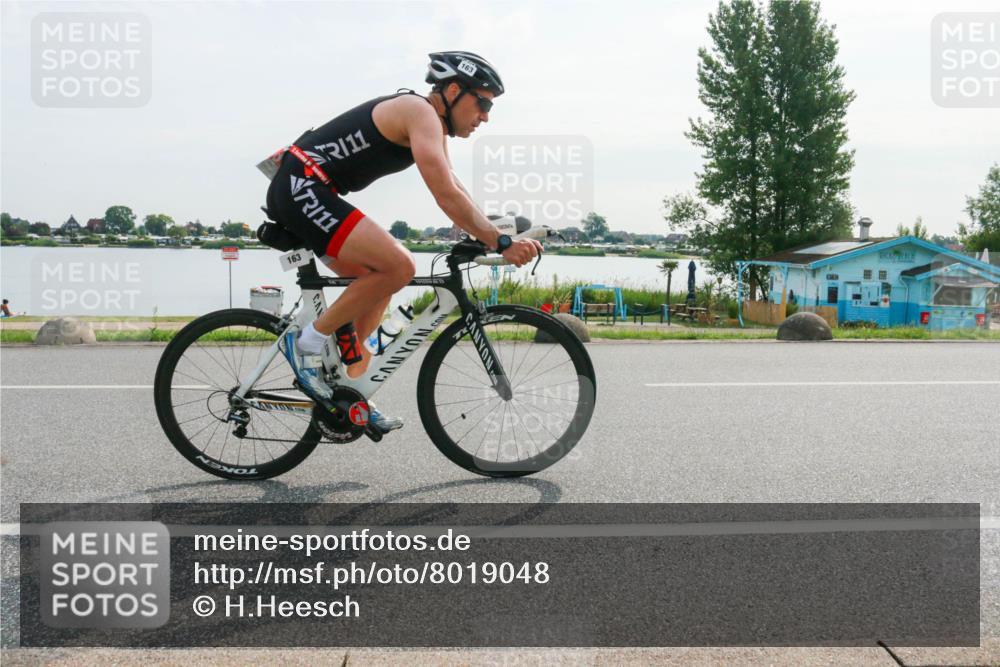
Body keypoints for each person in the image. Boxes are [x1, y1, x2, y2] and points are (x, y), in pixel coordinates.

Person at [264, 51, 542, 433]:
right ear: (455, 90)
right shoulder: (418, 112)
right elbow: (443, 192)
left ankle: (349, 387)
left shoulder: (432, 124)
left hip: (308, 188)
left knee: (377, 281)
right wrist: (500, 242)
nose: (485, 117)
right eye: (483, 104)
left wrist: (491, 232)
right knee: (399, 265)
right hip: (302, 186)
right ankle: (305, 343)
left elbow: (456, 187)